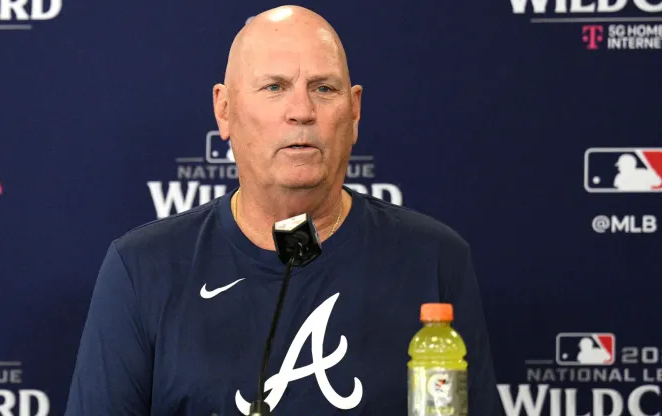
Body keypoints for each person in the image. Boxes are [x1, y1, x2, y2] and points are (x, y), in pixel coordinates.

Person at [65, 5, 501, 415]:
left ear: (355, 111)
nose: (302, 112)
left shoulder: (435, 259)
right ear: (225, 110)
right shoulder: (142, 269)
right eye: (274, 87)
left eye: (324, 89)